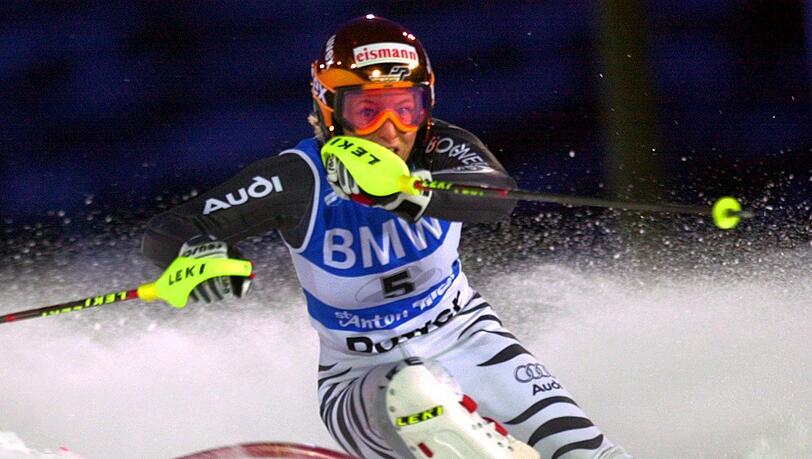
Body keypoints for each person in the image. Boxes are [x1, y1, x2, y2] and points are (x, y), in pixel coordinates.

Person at [141, 15, 630, 459]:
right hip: (359, 377)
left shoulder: (439, 147)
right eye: (367, 111)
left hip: (468, 336)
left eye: (406, 107)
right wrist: (197, 255)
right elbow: (172, 229)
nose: (390, 131)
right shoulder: (299, 178)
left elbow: (498, 196)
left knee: (587, 452)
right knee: (420, 393)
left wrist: (408, 194)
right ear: (328, 109)